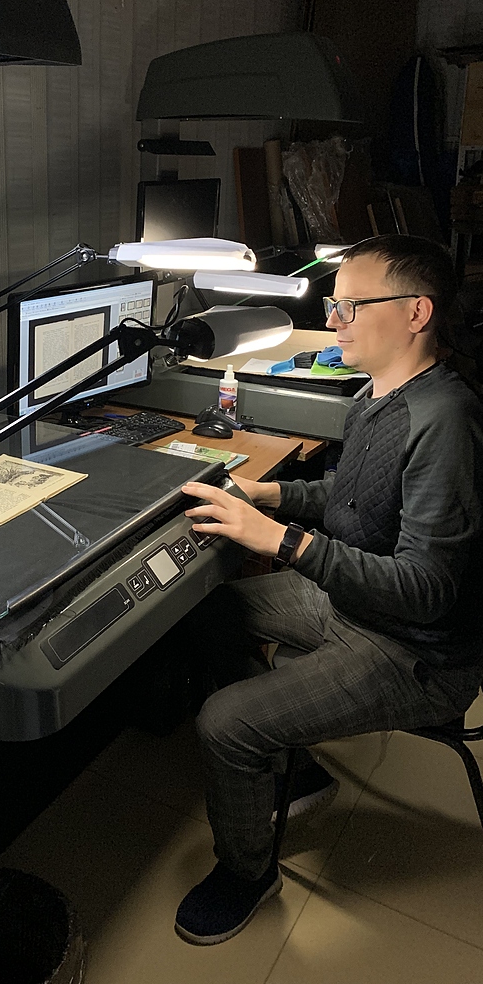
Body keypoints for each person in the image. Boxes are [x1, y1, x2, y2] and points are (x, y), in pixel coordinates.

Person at [175, 234, 483, 946]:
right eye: (333, 304)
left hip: (416, 649)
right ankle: (296, 767)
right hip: (356, 605)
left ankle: (248, 873)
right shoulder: (377, 395)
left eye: (350, 306)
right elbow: (352, 496)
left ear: (416, 313)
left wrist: (280, 540)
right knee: (208, 611)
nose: (334, 320)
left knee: (225, 722)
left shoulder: (446, 422)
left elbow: (425, 591)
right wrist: (270, 493)